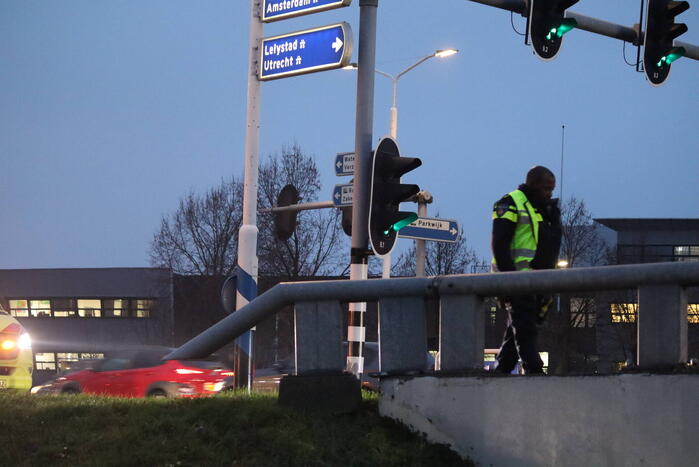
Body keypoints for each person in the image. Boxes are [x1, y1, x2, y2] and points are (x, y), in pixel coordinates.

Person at [491, 166, 562, 374]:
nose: (549, 193)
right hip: (518, 279)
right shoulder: (510, 203)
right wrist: (508, 281)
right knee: (526, 330)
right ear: (533, 185)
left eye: (552, 189)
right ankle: (535, 373)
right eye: (546, 188)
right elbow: (500, 245)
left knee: (518, 333)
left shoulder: (545, 209)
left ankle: (501, 373)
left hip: (541, 280)